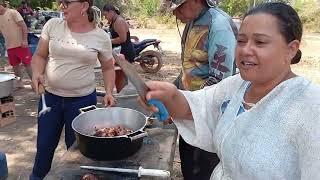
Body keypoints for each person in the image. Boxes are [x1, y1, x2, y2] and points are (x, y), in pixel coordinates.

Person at [144, 2, 320, 179]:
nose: (245, 50)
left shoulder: (311, 108)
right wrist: (170, 95)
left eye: (260, 42)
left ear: (291, 49)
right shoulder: (236, 86)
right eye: (241, 41)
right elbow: (195, 108)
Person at [29, 0, 116, 179]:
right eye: (60, 2)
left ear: (84, 6)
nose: (61, 6)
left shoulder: (100, 36)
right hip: (50, 99)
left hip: (82, 102)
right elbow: (39, 55)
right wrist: (37, 72)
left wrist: (108, 91)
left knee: (77, 150)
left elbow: (108, 67)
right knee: (44, 146)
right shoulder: (53, 25)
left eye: (66, 2)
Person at [168, 0, 237, 179]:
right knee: (188, 166)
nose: (175, 14)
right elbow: (189, 70)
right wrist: (172, 93)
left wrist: (185, 105)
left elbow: (221, 81)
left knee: (203, 170)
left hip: (209, 117)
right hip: (189, 111)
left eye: (179, 8)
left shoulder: (219, 25)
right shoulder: (191, 22)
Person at [0, 0, 33, 88]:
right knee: (15, 66)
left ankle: (35, 82)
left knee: (27, 64)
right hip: (9, 45)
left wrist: (25, 40)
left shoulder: (12, 12)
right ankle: (19, 83)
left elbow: (24, 26)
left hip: (21, 44)